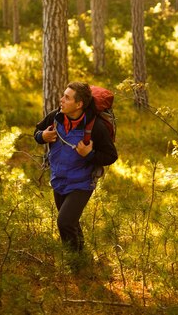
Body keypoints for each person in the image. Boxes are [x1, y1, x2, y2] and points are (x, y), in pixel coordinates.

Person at [34, 82, 118, 257]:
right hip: (59, 180)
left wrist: (89, 154)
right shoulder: (55, 117)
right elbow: (37, 132)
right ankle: (83, 258)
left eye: (67, 97)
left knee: (64, 222)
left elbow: (111, 156)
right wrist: (43, 136)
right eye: (63, 95)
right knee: (71, 223)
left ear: (79, 104)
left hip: (82, 183)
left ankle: (73, 261)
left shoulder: (95, 127)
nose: (61, 100)